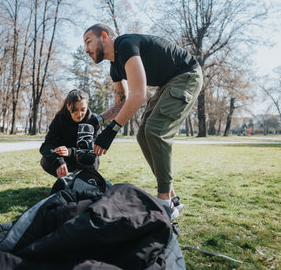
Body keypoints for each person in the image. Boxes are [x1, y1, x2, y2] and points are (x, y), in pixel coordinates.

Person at [83, 23, 203, 205]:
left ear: (105, 37)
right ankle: (172, 197)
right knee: (143, 134)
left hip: (187, 75)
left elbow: (139, 95)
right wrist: (98, 120)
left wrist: (111, 130)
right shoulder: (115, 67)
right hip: (168, 83)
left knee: (155, 130)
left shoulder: (125, 45)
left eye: (88, 42)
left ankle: (164, 201)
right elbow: (121, 103)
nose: (86, 49)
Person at [40, 89, 100, 178]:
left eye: (83, 109)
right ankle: (65, 180)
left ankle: (82, 179)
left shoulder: (93, 120)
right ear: (68, 106)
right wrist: (58, 162)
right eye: (75, 110)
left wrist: (70, 151)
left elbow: (94, 149)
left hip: (84, 159)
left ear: (87, 106)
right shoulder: (59, 119)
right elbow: (47, 146)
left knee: (91, 159)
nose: (79, 114)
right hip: (64, 159)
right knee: (46, 161)